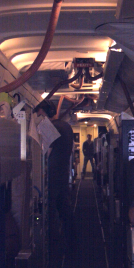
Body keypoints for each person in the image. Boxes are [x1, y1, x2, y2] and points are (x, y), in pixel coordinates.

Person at [33, 101, 75, 252]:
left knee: (49, 210)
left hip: (51, 174)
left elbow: (45, 153)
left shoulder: (48, 126)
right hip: (63, 173)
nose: (38, 117)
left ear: (43, 113)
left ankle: (52, 246)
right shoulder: (66, 126)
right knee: (65, 208)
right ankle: (71, 242)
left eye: (38, 114)